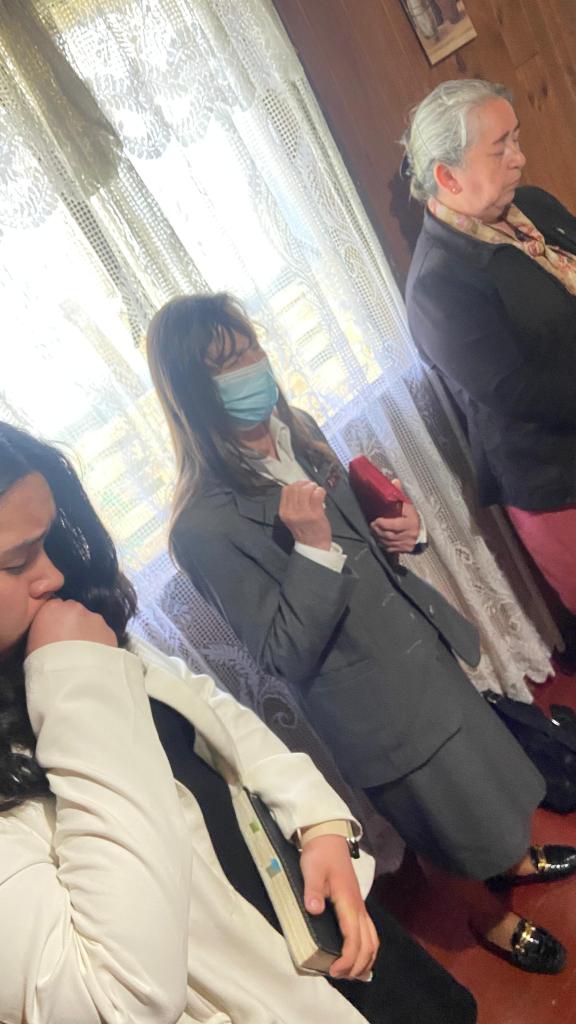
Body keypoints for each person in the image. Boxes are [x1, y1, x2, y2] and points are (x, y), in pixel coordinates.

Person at [147, 290, 576, 976]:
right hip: (372, 706)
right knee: (437, 822)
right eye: (226, 363)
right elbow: (281, 652)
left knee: (481, 775)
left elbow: (366, 547)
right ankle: (485, 914)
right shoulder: (202, 526)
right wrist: (311, 547)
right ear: (191, 391)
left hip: (420, 650)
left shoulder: (300, 430)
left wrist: (407, 533)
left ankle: (512, 857)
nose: (252, 367)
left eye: (251, 347)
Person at [0, 420, 478, 1024]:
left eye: (47, 543)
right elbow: (113, 996)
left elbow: (216, 716)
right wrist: (74, 682)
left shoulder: (71, 630)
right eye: (16, 561)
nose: (52, 575)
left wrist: (320, 821)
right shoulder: (73, 659)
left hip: (306, 903)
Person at [403, 78, 576, 659]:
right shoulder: (438, 284)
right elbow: (520, 393)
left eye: (516, 139)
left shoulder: (535, 207)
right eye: (500, 148)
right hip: (558, 478)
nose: (519, 158)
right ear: (447, 176)